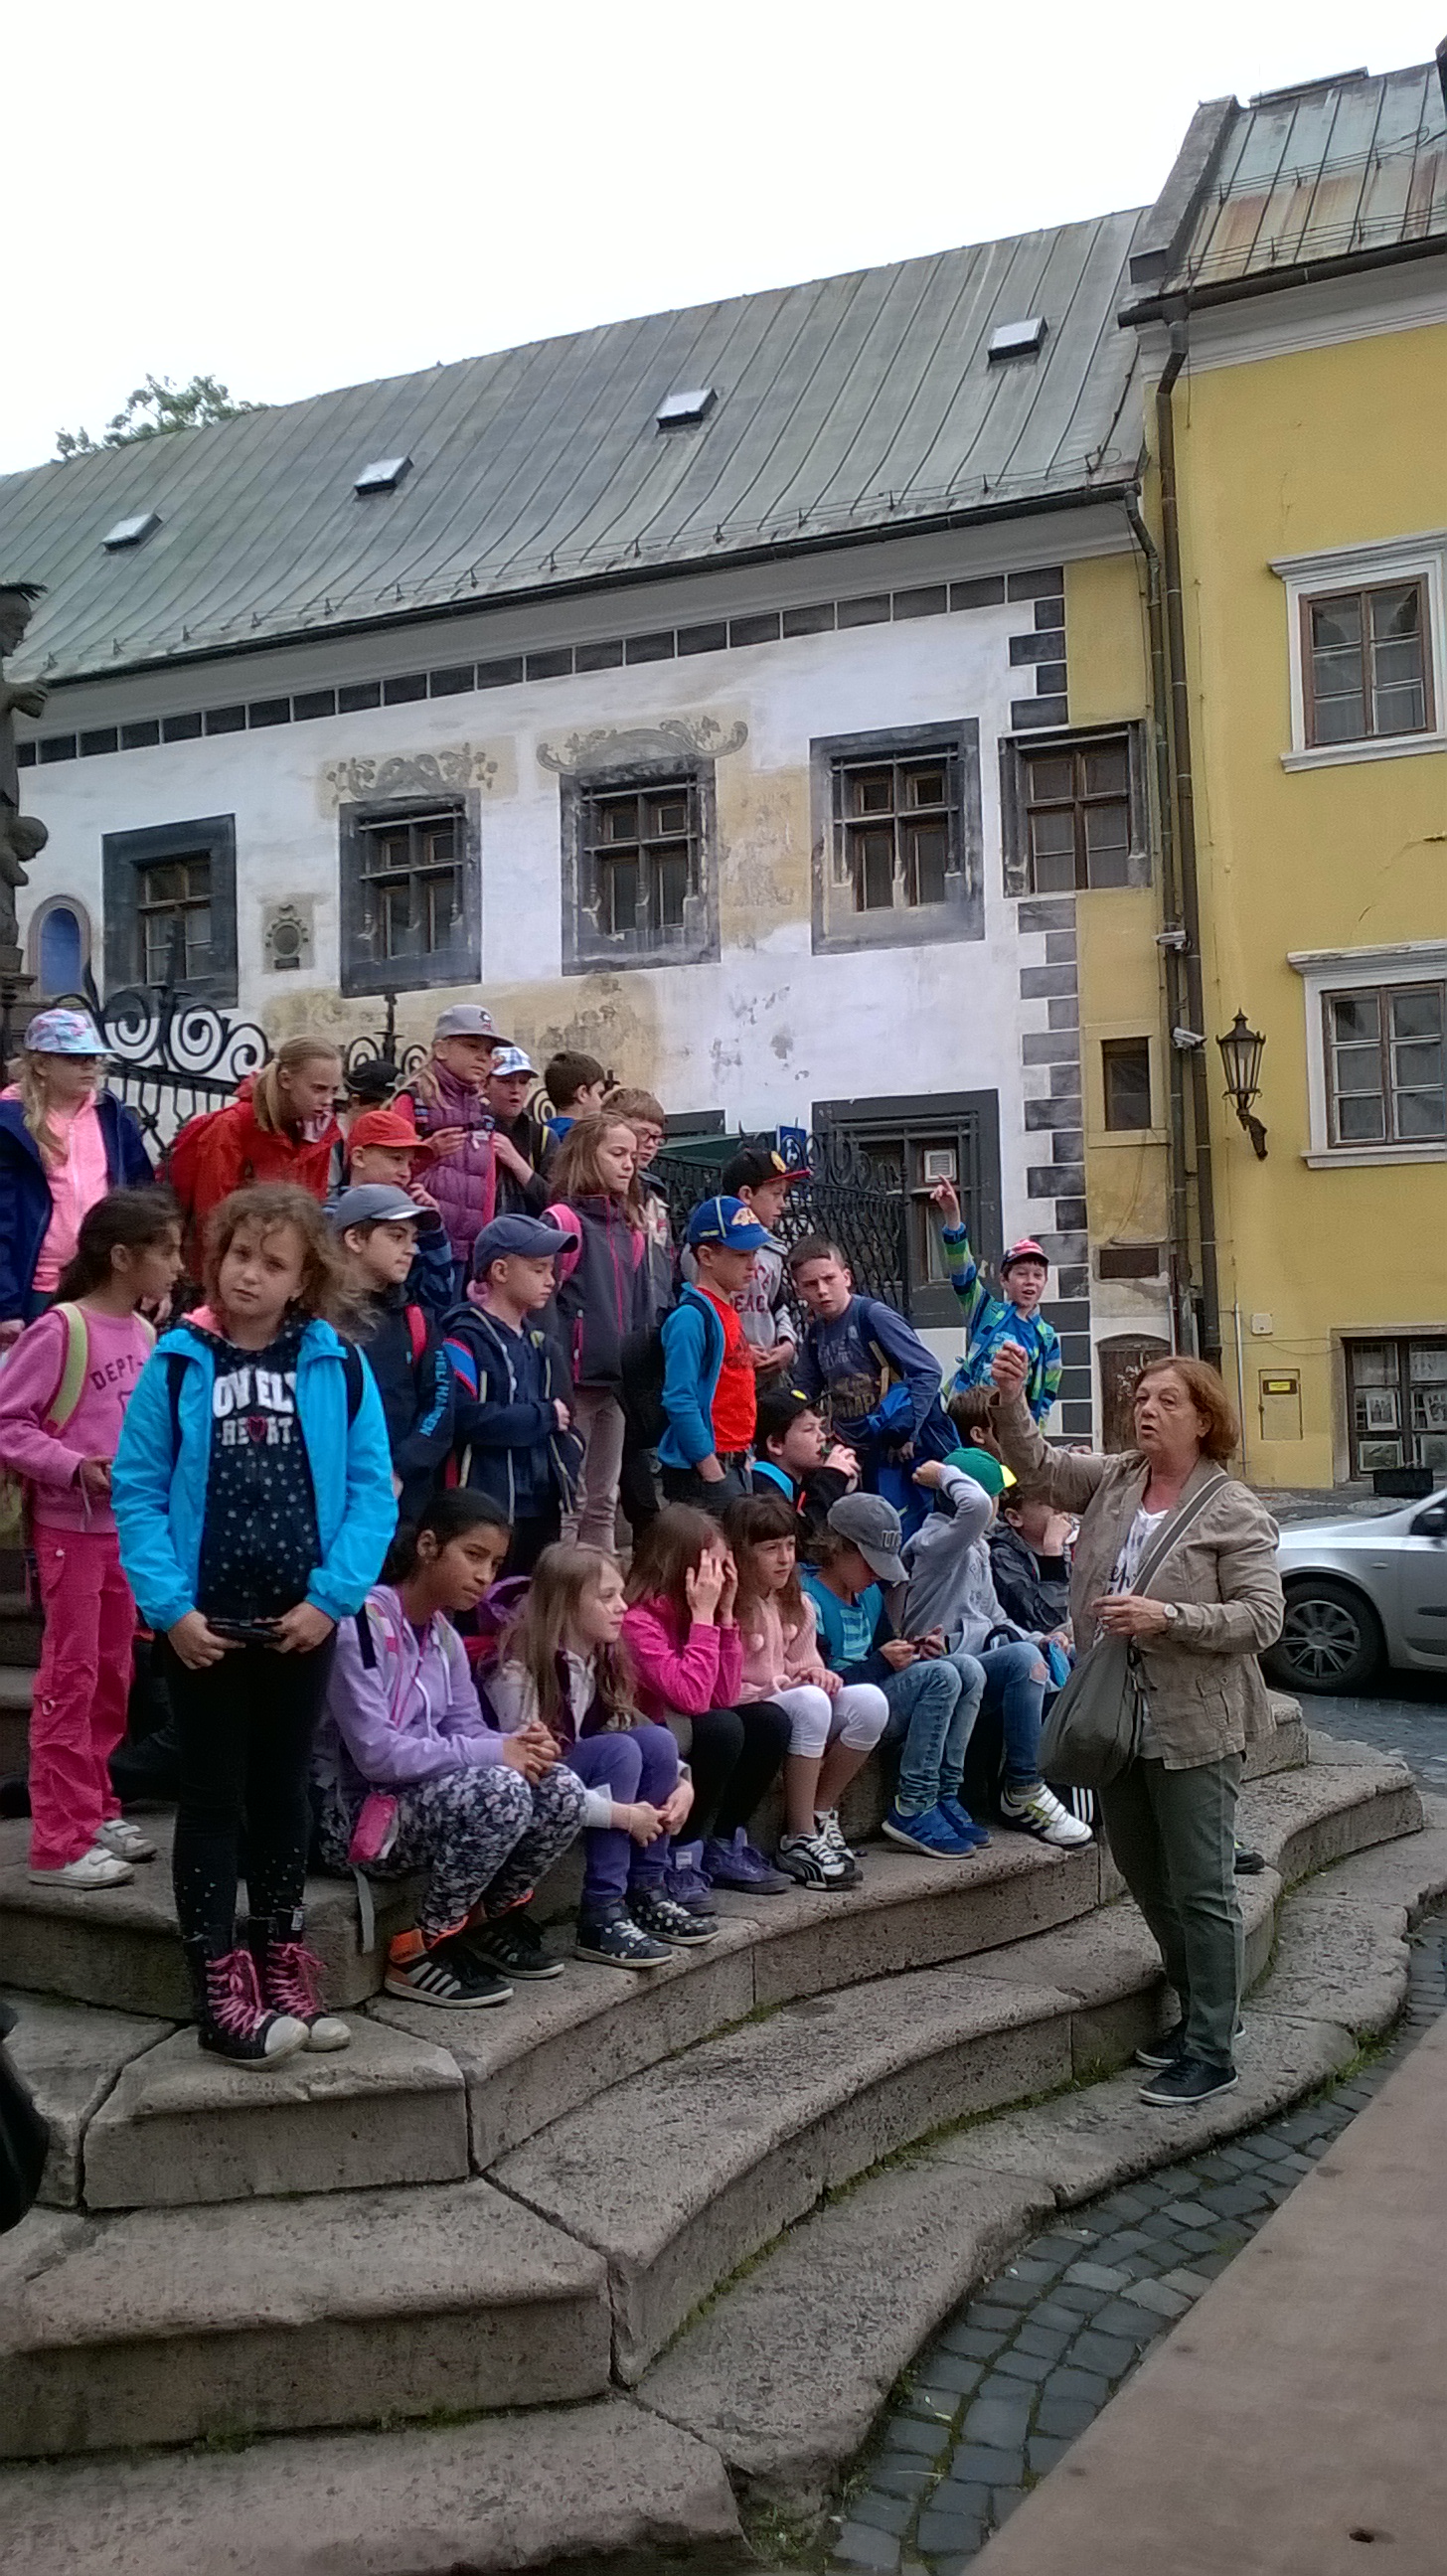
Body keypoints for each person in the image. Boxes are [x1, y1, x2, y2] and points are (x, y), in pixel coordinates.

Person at [112, 1184, 398, 2067]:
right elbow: (138, 1491)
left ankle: (280, 1958)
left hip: (298, 1625)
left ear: (303, 1278)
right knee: (211, 1798)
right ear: (217, 1257)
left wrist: (331, 1600)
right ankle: (216, 1982)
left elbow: (370, 1492)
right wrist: (170, 1610)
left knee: (282, 1794)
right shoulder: (176, 1362)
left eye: (273, 1263)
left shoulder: (338, 1366)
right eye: (240, 1255)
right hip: (202, 1626)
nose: (250, 1275)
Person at [989, 1338, 1285, 2110]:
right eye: (1142, 1398)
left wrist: (1169, 1616)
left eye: (1167, 1401)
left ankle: (1213, 2048)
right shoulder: (1119, 1477)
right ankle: (1202, 2008)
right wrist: (1012, 1400)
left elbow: (1262, 1618)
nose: (1147, 1410)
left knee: (1202, 1885)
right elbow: (1040, 1468)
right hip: (1114, 1717)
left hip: (1194, 1721)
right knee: (1146, 1874)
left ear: (1204, 1419)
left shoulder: (1233, 1509)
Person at [315, 1493, 586, 2007]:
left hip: (419, 1802)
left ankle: (488, 1918)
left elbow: (466, 1727)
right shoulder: (360, 1626)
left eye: (496, 1564)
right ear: (427, 1546)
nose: (485, 1576)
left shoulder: (444, 1636)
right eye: (474, 1555)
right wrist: (494, 1754)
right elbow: (377, 1756)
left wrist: (519, 1745)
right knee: (501, 1791)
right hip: (352, 1820)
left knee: (561, 1788)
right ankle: (419, 1950)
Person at [0, 1190, 183, 1889]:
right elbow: (8, 1422)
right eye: (166, 1251)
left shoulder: (143, 1334)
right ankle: (57, 1842)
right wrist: (74, 1466)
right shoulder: (62, 1329)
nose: (178, 1265)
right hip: (69, 1535)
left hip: (124, 1536)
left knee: (112, 1677)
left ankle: (95, 1805)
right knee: (69, 1680)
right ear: (122, 1257)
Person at [487, 1542, 705, 1969]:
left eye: (621, 1594)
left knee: (657, 1742)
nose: (622, 1607)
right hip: (521, 1800)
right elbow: (532, 1776)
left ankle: (647, 1889)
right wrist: (622, 1816)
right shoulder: (517, 1670)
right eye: (607, 1596)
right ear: (567, 1604)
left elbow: (630, 1722)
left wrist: (684, 1783)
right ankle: (603, 1910)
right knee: (618, 1751)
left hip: (572, 1789)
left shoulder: (599, 1657)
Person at [901, 1456, 1092, 1850]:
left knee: (1038, 1652)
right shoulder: (936, 1542)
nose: (996, 1504)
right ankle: (1023, 1786)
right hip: (939, 1666)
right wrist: (944, 1475)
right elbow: (974, 1507)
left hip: (975, 1664)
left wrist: (1039, 1638)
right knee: (1021, 1660)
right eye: (994, 1495)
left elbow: (993, 1617)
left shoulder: (975, 1548)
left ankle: (1048, 1785)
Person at [801, 1493, 989, 1859]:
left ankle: (943, 1793)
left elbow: (883, 1650)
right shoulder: (809, 1597)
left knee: (964, 1667)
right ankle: (914, 1803)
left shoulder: (869, 1595)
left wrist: (914, 1651)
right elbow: (818, 1683)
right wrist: (883, 1663)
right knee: (940, 1677)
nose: (877, 1575)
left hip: (874, 1696)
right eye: (870, 1564)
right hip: (836, 1709)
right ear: (838, 1548)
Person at [624, 1504, 792, 1897]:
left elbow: (724, 1694)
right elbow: (694, 1700)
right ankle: (680, 1856)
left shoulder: (697, 1612)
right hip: (646, 1728)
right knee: (721, 1728)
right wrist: (704, 1618)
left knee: (769, 1720)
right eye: (712, 1567)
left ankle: (722, 1844)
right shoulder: (638, 1621)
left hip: (680, 1721)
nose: (720, 1578)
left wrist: (725, 1616)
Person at [724, 1490, 887, 1888]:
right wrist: (791, 1686)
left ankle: (819, 1813)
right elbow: (726, 1688)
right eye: (770, 1549)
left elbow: (805, 1663)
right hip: (748, 1710)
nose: (785, 1558)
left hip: (788, 1703)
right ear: (741, 1553)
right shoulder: (728, 1605)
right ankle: (798, 1837)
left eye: (789, 1546)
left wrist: (818, 1674)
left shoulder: (796, 1602)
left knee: (870, 1702)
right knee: (810, 1701)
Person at [0, 1007, 153, 1337]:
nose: (89, 1066)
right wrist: (5, 1305)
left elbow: (142, 1203)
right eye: (74, 1058)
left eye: (93, 1058)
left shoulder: (111, 1115)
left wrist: (148, 1277)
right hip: (37, 1288)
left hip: (104, 1279)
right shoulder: (10, 1125)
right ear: (41, 1065)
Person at [443, 1213, 579, 1573]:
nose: (551, 1280)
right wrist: (543, 1416)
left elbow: (567, 1417)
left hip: (541, 1502)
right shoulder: (463, 1337)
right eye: (538, 1269)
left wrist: (567, 1455)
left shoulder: (542, 1344)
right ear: (500, 1271)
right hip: (487, 1503)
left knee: (531, 1598)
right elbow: (464, 1417)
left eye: (551, 1269)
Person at [789, 1235, 954, 1527]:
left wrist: (908, 1430)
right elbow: (804, 1392)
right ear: (798, 1289)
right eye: (811, 1284)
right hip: (852, 1451)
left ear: (846, 1277)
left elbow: (928, 1370)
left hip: (894, 1451)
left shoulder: (871, 1316)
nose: (822, 1291)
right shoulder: (816, 1334)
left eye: (829, 1279)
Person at [547, 1116, 650, 1549]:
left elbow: (639, 1310)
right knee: (571, 1498)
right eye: (617, 1154)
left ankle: (601, 1581)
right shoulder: (562, 1221)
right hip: (575, 1382)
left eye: (632, 1156)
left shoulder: (631, 1230)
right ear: (588, 1156)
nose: (629, 1165)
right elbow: (544, 1301)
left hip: (616, 1384)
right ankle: (568, 1582)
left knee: (604, 1499)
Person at [330, 1185, 454, 1522]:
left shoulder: (415, 1320)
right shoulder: (313, 1319)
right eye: (397, 1237)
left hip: (403, 1504)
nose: (411, 1249)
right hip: (327, 1496)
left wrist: (401, 1468)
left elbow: (441, 1403)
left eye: (413, 1239)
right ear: (355, 1239)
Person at [166, 1037, 343, 1261]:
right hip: (233, 1259)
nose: (328, 1101)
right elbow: (212, 1213)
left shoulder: (319, 1131)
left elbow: (313, 1207)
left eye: (334, 1091)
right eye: (318, 1088)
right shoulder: (234, 1125)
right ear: (286, 1080)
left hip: (281, 1258)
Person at [659, 1196, 769, 1514]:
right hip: (708, 1467)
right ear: (706, 1256)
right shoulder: (691, 1317)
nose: (753, 1265)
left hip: (735, 1459)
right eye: (741, 1255)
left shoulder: (725, 1310)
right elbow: (680, 1398)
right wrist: (709, 1468)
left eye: (754, 1254)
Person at [931, 1178, 1060, 1424]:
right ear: (1004, 1280)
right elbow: (963, 1274)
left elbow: (1045, 1398)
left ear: (1045, 1281)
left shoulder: (1047, 1338)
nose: (1030, 1282)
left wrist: (1034, 1439)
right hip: (965, 1419)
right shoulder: (986, 1311)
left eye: (1037, 1275)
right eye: (1021, 1274)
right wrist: (952, 1217)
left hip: (1008, 1426)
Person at [403, 1006, 506, 1288]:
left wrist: (484, 1239)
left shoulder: (483, 1110)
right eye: (472, 1046)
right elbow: (387, 1171)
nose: (482, 1057)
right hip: (419, 1244)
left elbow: (487, 1182)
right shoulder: (416, 1100)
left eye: (488, 1051)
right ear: (441, 1049)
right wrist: (428, 1152)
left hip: (466, 1249)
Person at [685, 1147, 799, 1382]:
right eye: (776, 1194)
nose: (783, 1204)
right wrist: (738, 1349)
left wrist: (787, 1342)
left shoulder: (774, 1250)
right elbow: (697, 1309)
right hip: (722, 1371)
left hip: (768, 1370)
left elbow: (778, 1304)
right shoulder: (704, 1247)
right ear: (747, 1194)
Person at [336, 1100, 455, 1320]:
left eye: (410, 1164)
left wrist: (434, 1233)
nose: (405, 1173)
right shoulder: (327, 1217)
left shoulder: (411, 1218)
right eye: (396, 1159)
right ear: (359, 1157)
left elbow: (438, 1295)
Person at [748, 1384, 858, 1538]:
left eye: (820, 1427)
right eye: (809, 1429)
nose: (822, 1437)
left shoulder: (803, 1478)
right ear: (775, 1444)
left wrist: (843, 1484)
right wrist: (832, 1478)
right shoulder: (762, 1491)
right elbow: (801, 1539)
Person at [990, 1491, 1074, 1639]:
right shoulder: (1001, 1556)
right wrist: (1053, 1552)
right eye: (1046, 1503)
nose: (1059, 1510)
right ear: (1015, 1518)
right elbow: (1048, 1623)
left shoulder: (1066, 1549)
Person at [486, 1048, 557, 1218]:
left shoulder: (543, 1137)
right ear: (485, 1085)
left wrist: (516, 1162)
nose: (515, 1089)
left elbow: (556, 1202)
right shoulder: (472, 1131)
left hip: (531, 1232)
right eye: (506, 1081)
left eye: (523, 1082)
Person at [543, 1050, 607, 1143]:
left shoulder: (540, 1137)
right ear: (582, 1093)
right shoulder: (590, 1141)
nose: (602, 1103)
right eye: (600, 1094)